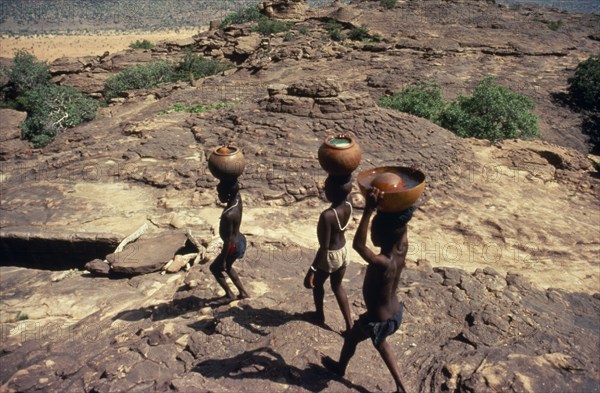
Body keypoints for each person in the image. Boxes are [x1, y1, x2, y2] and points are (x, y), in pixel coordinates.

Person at [322, 187, 415, 393]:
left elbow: (358, 245)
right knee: (362, 340)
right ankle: (341, 368)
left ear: (381, 237)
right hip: (394, 313)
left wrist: (368, 210)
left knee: (370, 343)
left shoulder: (382, 262)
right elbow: (401, 224)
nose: (371, 233)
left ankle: (399, 386)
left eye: (374, 231)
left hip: (378, 320)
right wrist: (393, 204)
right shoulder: (402, 247)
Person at [303, 175, 353, 334]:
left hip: (331, 255)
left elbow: (324, 247)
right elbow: (345, 180)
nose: (324, 189)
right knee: (337, 286)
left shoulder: (327, 215)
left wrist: (312, 269)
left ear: (333, 192)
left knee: (317, 284)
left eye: (327, 188)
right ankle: (350, 326)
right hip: (344, 251)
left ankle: (319, 315)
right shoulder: (349, 203)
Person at [209, 180, 249, 301]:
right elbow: (234, 184)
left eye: (220, 193)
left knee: (215, 268)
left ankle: (230, 294)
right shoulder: (237, 200)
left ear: (227, 194)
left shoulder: (229, 215)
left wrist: (224, 259)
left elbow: (228, 241)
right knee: (228, 267)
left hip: (233, 245)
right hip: (240, 240)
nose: (218, 196)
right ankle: (242, 293)